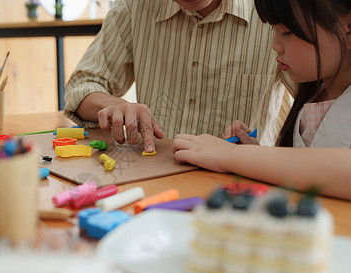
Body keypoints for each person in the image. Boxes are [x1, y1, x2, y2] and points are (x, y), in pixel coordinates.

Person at [173, 0, 351, 200]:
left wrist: (233, 156)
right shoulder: (316, 95)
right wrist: (253, 155)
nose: (275, 45)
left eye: (286, 32)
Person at [64, 0, 295, 153]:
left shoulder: (273, 11)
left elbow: (320, 103)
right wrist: (115, 105)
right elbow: (80, 88)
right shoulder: (136, 6)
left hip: (242, 185)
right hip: (153, 177)